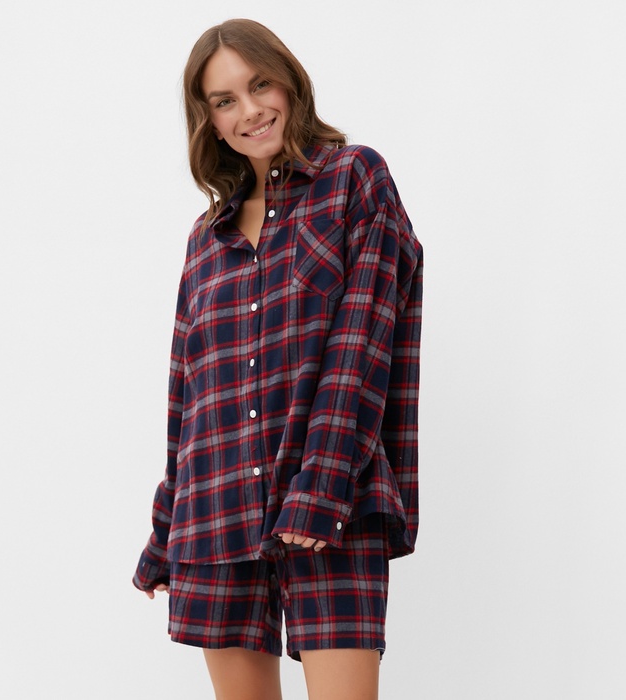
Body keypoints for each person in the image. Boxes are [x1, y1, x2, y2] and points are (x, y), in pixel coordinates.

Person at [133, 18, 423, 700]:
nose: (249, 109)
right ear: (209, 120)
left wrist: (323, 486)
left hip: (332, 499)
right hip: (214, 510)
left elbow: (361, 347)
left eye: (259, 84)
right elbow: (188, 394)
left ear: (289, 82)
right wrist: (166, 529)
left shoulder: (354, 180)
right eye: (224, 100)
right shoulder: (205, 239)